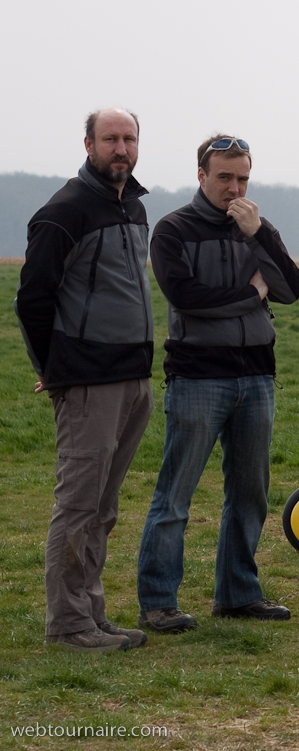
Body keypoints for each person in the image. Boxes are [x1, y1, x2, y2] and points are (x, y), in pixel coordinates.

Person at [136, 134, 299, 632]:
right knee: (176, 494)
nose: (234, 188)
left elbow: (290, 288)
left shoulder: (256, 227)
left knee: (250, 492)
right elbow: (189, 298)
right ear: (202, 176)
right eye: (225, 177)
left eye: (243, 178)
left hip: (257, 375)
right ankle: (159, 601)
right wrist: (252, 295)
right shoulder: (172, 230)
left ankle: (238, 594)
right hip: (197, 377)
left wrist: (258, 237)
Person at [14, 108, 152, 652]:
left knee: (104, 505)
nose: (121, 148)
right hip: (88, 382)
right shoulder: (64, 211)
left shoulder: (134, 207)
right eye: (111, 139)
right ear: (89, 143)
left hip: (132, 375)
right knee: (77, 504)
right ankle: (67, 625)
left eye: (129, 138)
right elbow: (32, 300)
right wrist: (55, 370)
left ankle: (91, 613)